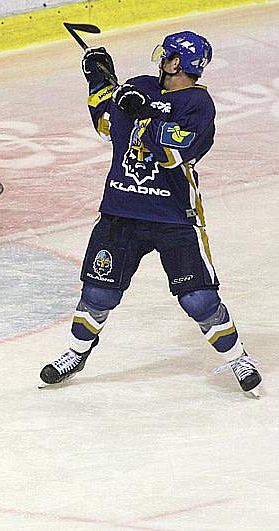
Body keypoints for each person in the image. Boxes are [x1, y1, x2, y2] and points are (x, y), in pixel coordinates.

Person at [39, 31, 262, 396]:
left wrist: (144, 110)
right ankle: (76, 354)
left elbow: (174, 152)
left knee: (199, 299)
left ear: (179, 63)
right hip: (121, 210)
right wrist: (100, 81)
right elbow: (106, 124)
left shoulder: (198, 104)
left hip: (173, 215)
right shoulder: (140, 86)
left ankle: (238, 358)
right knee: (98, 293)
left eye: (169, 55)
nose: (162, 58)